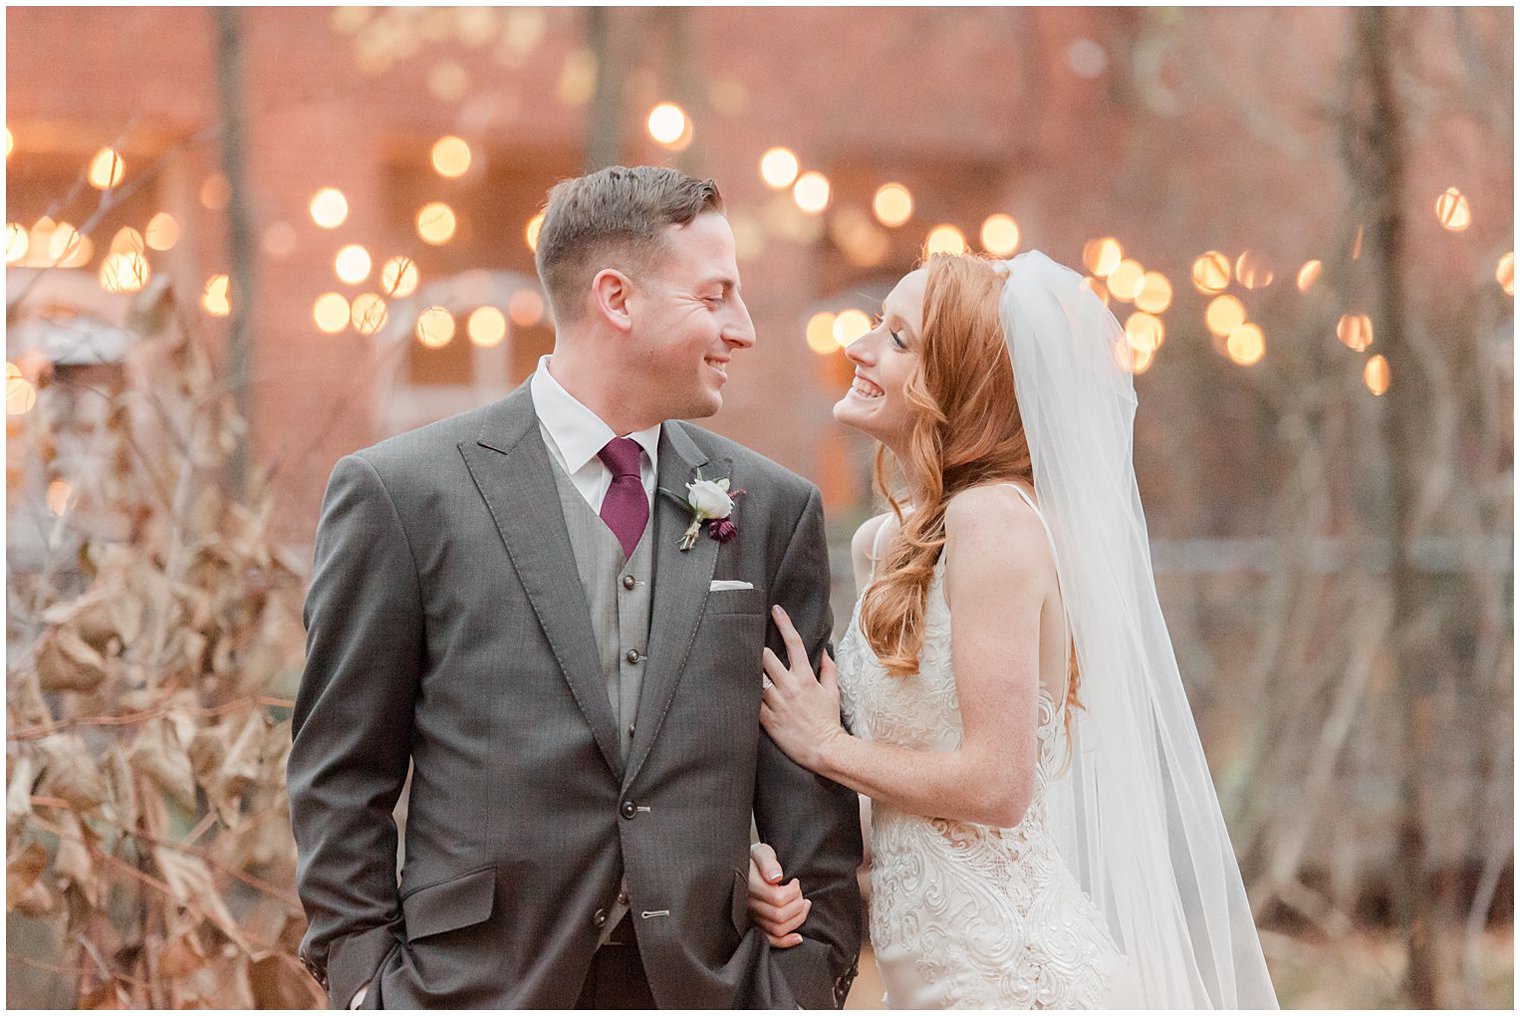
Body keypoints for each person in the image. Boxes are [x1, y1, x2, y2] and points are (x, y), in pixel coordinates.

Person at [288, 165, 863, 1009]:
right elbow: (340, 772)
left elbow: (807, 788)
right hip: (473, 990)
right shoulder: (403, 494)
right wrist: (368, 987)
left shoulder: (772, 508)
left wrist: (804, 978)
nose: (742, 329)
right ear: (616, 300)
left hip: (711, 990)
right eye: (714, 298)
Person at [748, 251, 1278, 1008]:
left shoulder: (993, 519)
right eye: (877, 325)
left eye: (899, 340)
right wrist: (775, 872)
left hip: (1008, 977)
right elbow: (898, 808)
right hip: (924, 973)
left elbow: (997, 786)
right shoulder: (885, 549)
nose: (859, 350)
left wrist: (827, 746)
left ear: (959, 384)